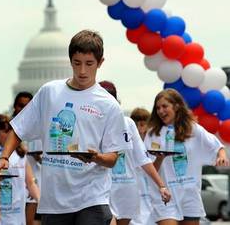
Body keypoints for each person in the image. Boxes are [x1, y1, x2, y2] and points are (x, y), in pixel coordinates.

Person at [0, 29, 132, 225]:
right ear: (70, 61)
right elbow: (19, 128)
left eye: (89, 64)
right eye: (77, 63)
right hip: (55, 201)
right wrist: (4, 157)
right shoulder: (50, 92)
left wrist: (95, 157)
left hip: (92, 198)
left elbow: (112, 159)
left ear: (100, 63)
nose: (82, 71)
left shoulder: (109, 105)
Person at [144, 89, 229, 225]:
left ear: (177, 106)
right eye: (158, 108)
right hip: (165, 196)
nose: (160, 111)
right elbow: (148, 170)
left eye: (165, 106)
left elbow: (217, 146)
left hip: (189, 195)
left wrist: (221, 156)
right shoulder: (153, 134)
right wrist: (159, 159)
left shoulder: (193, 129)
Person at [98, 81, 170, 225]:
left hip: (126, 190)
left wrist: (161, 185)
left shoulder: (128, 124)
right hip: (101, 190)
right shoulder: (91, 123)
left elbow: (143, 159)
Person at [0, 114, 40, 225]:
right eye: (4, 131)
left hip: (16, 214)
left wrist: (40, 200)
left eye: (10, 132)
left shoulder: (20, 155)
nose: (8, 135)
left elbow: (30, 182)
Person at [12, 91, 42, 225]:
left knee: (28, 222)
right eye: (20, 105)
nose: (23, 109)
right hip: (11, 184)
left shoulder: (39, 127)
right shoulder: (7, 128)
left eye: (27, 106)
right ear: (14, 107)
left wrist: (38, 156)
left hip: (32, 181)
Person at [129, 107, 155, 225]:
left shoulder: (154, 144)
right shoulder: (128, 143)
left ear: (148, 125)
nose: (139, 129)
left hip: (151, 193)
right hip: (135, 190)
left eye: (142, 125)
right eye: (136, 125)